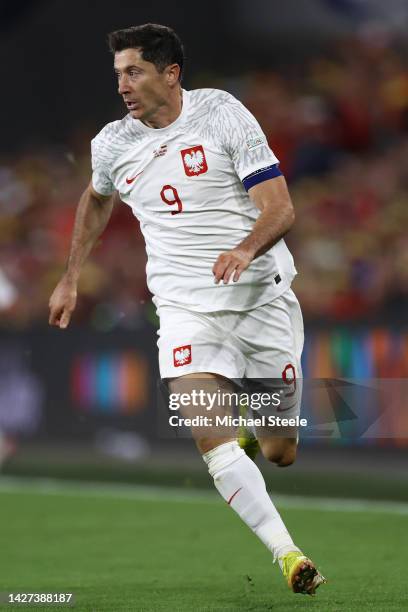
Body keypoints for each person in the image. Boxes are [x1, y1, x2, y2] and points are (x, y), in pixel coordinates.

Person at [49, 23, 325, 596]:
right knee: (210, 435)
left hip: (260, 299)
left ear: (170, 74)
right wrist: (70, 277)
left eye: (135, 72)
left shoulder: (222, 113)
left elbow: (280, 206)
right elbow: (97, 197)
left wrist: (245, 248)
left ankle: (260, 436)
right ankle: (289, 554)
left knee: (281, 451)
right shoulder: (113, 143)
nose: (122, 85)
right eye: (118, 73)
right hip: (182, 309)